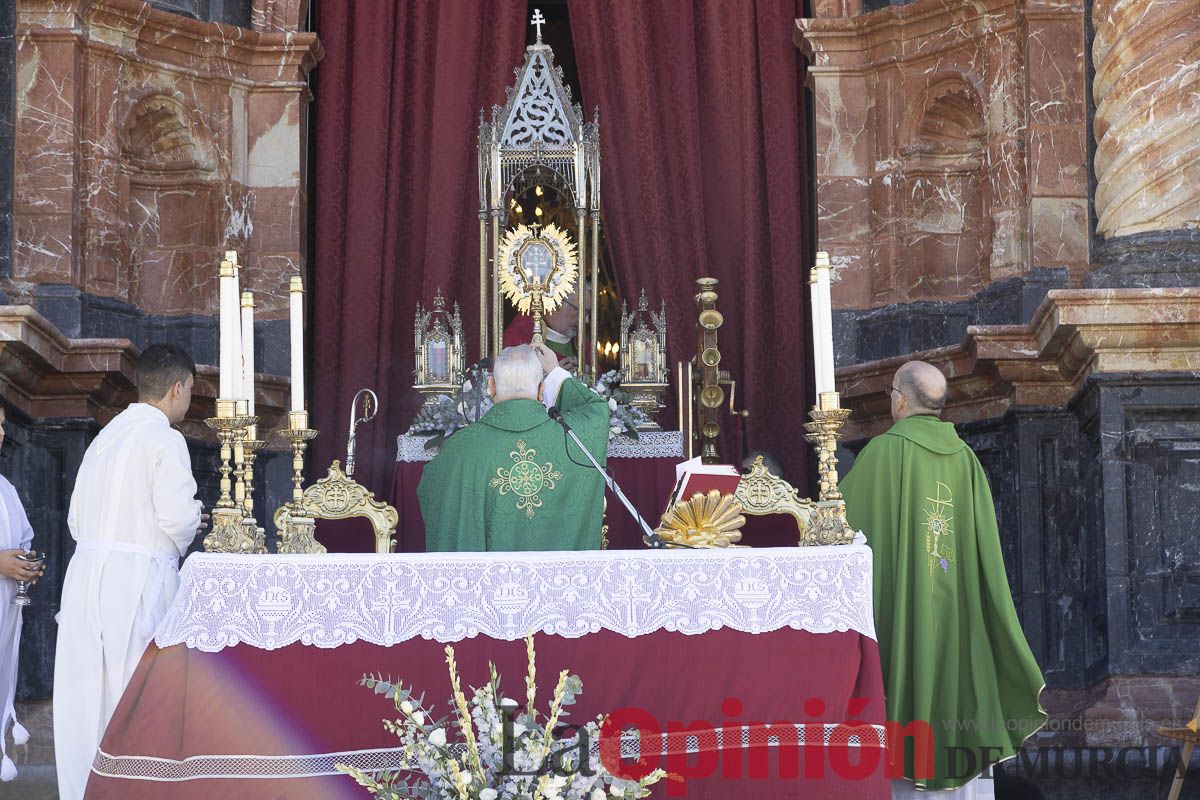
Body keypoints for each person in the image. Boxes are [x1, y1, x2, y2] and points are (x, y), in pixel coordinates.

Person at [840, 361, 1045, 798]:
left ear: (899, 399)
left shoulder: (881, 454)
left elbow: (839, 532)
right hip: (958, 615)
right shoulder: (966, 461)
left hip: (903, 616)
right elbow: (982, 549)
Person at [53, 344, 204, 799]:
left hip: (85, 580)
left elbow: (76, 520)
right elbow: (177, 520)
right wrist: (197, 517)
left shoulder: (103, 439)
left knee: (85, 704)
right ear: (176, 389)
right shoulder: (165, 438)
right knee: (135, 700)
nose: (189, 400)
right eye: (191, 391)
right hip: (138, 580)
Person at [418, 343, 609, 551]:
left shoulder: (459, 449)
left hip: (488, 583)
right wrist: (555, 372)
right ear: (541, 389)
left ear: (491, 387)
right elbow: (597, 411)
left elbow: (432, 489)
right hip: (560, 582)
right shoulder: (572, 440)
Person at [0, 404, 42, 782]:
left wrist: (29, 566)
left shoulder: (6, 489)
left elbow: (23, 541)